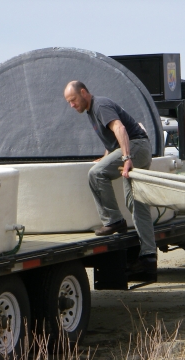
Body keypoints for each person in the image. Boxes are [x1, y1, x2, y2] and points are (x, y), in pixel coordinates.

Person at [63, 80, 157, 275]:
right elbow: (112, 139)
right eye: (69, 102)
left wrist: (126, 157)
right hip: (138, 147)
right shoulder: (92, 111)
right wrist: (107, 158)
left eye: (73, 100)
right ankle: (148, 257)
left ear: (83, 92)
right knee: (136, 203)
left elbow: (120, 129)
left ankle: (113, 220)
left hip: (135, 147)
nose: (72, 105)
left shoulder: (100, 105)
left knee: (96, 173)